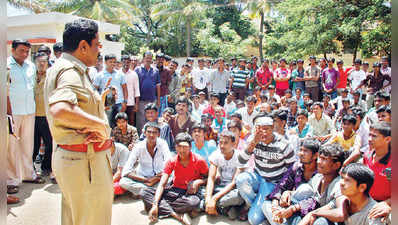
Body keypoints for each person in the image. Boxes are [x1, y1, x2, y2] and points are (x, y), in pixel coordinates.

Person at [44, 19, 113, 225]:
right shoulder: (70, 72)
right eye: (97, 45)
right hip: (85, 162)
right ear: (83, 46)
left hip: (76, 160)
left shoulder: (65, 67)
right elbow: (61, 109)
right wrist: (99, 125)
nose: (98, 50)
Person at [236, 116, 296, 225]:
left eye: (266, 129)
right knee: (241, 179)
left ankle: (258, 207)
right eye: (259, 128)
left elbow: (291, 171)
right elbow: (240, 162)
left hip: (272, 183)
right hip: (257, 177)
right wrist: (254, 142)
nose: (263, 132)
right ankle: (253, 204)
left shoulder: (284, 144)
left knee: (254, 220)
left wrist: (282, 190)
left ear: (272, 128)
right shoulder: (253, 140)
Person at [141, 133, 209, 225]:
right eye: (179, 146)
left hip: (188, 194)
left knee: (194, 202)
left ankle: (163, 208)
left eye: (185, 147)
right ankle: (175, 214)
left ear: (190, 147)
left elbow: (209, 178)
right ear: (175, 147)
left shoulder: (199, 160)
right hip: (174, 190)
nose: (181, 150)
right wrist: (155, 204)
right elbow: (162, 184)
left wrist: (198, 181)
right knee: (144, 192)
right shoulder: (172, 161)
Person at [8, 39, 45, 194]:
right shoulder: (6, 66)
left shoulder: (31, 66)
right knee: (11, 147)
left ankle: (28, 174)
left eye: (27, 52)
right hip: (12, 112)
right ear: (13, 50)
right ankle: (11, 180)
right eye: (21, 50)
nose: (24, 54)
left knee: (28, 145)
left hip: (29, 111)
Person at [263, 139, 319, 225]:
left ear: (315, 155)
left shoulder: (321, 172)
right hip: (291, 205)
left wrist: (290, 194)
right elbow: (282, 185)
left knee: (305, 189)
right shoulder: (297, 166)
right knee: (266, 205)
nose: (301, 154)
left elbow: (317, 199)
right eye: (300, 150)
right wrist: (275, 206)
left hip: (306, 209)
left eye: (305, 151)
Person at [296, 144, 347, 225]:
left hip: (330, 222)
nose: (319, 162)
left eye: (324, 159)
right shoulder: (318, 178)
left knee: (321, 222)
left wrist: (315, 213)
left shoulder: (339, 185)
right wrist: (288, 193)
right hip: (314, 217)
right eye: (319, 157)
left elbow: (341, 214)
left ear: (336, 165)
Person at [119, 122, 171, 198]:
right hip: (143, 179)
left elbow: (169, 164)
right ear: (144, 133)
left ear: (159, 134)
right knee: (123, 182)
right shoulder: (138, 146)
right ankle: (154, 192)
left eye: (154, 132)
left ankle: (145, 192)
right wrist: (146, 180)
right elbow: (126, 171)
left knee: (171, 179)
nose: (151, 135)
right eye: (149, 132)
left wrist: (156, 178)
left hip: (158, 177)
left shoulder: (163, 144)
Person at [204, 130, 246, 219]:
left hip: (232, 190)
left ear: (234, 144)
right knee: (202, 192)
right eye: (220, 142)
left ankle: (209, 206)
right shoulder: (216, 154)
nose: (222, 146)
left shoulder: (240, 157)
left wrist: (214, 199)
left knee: (238, 197)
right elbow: (211, 178)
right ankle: (224, 209)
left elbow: (233, 183)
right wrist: (208, 198)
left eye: (226, 143)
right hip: (219, 187)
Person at [32, 52, 54, 180]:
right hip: (32, 115)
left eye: (44, 61)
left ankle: (47, 167)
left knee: (49, 143)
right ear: (35, 62)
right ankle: (31, 168)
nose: (41, 64)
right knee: (33, 144)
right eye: (39, 61)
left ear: (47, 62)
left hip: (47, 115)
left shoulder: (51, 76)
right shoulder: (31, 76)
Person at [94, 53, 128, 128]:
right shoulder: (99, 75)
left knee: (120, 124)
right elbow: (94, 90)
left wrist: (125, 102)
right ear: (105, 62)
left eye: (114, 62)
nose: (113, 64)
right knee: (107, 124)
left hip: (119, 103)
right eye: (110, 62)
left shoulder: (120, 74)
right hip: (106, 105)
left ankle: (118, 139)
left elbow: (125, 88)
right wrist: (99, 103)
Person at [135, 51, 161, 134]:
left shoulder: (155, 71)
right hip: (141, 100)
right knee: (141, 121)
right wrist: (136, 102)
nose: (148, 60)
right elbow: (135, 87)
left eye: (150, 58)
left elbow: (158, 86)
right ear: (143, 59)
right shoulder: (137, 70)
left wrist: (158, 100)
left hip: (152, 100)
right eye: (147, 58)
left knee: (153, 120)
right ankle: (141, 138)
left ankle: (152, 137)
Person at [124, 55, 140, 126]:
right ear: (121, 63)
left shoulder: (134, 74)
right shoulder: (117, 74)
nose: (126, 64)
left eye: (128, 62)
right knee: (120, 122)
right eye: (124, 62)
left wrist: (136, 104)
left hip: (131, 103)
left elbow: (137, 90)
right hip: (120, 104)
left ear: (130, 63)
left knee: (131, 122)